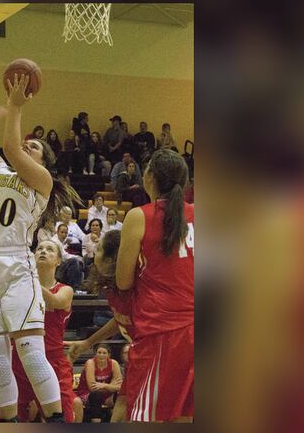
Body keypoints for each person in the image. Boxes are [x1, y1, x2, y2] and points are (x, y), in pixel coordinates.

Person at [0, 73, 80, 422]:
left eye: (35, 147)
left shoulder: (41, 182)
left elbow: (13, 149)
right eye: (27, 142)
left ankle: (56, 420)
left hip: (14, 265)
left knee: (30, 352)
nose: (27, 145)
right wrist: (7, 105)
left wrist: (17, 107)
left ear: (43, 162)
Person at [116, 148, 194, 423]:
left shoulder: (139, 216)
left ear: (149, 177)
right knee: (186, 415)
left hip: (162, 331)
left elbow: (123, 281)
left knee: (144, 417)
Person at [11, 240, 83, 423]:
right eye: (39, 249)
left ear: (59, 260)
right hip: (20, 358)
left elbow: (54, 301)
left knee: (63, 417)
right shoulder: (19, 288)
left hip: (53, 360)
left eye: (50, 250)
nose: (43, 251)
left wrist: (29, 280)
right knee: (7, 416)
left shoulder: (65, 290)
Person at [66, 230, 135, 423]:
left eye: (100, 248)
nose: (95, 250)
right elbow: (121, 319)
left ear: (112, 259)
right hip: (140, 353)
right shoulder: (114, 286)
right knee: (123, 401)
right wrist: (88, 342)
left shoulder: (135, 286)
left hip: (156, 352)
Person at [74, 343, 123, 423]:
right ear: (95, 354)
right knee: (96, 395)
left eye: (104, 353)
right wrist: (111, 386)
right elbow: (92, 387)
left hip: (106, 395)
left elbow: (120, 386)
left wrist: (103, 385)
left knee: (121, 395)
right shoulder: (90, 363)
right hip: (87, 394)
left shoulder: (114, 363)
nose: (101, 355)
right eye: (99, 352)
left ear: (109, 355)